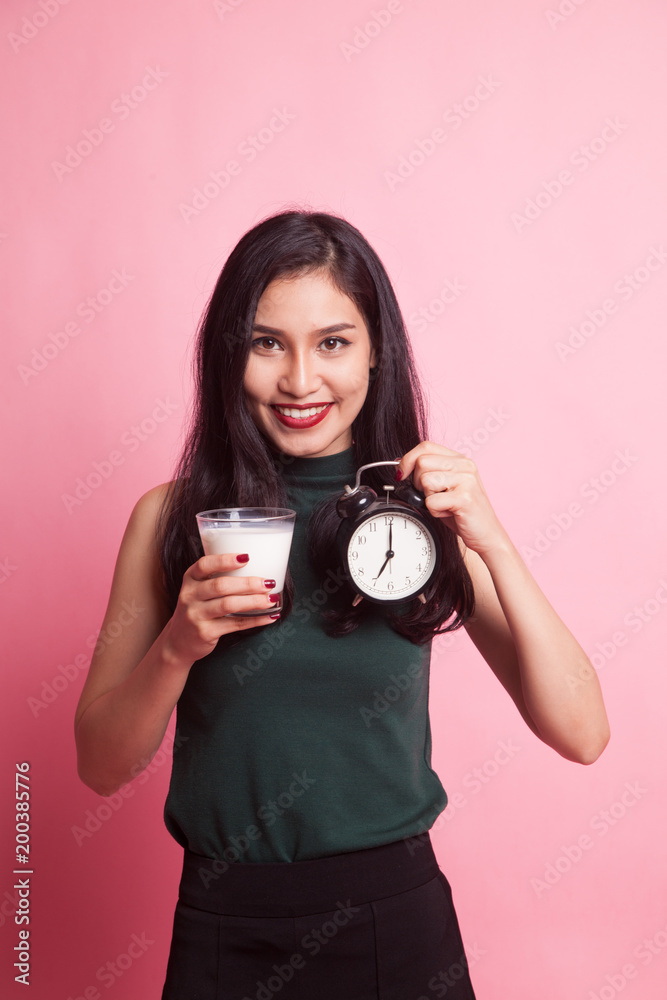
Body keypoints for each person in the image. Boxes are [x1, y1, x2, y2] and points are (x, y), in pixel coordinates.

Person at [74, 208, 610, 999]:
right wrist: (177, 647)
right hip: (223, 927)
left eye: (332, 342)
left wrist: (491, 541)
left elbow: (583, 732)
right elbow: (98, 764)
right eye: (266, 343)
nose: (299, 381)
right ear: (228, 354)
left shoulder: (421, 519)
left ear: (375, 354)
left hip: (395, 927)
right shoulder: (169, 520)